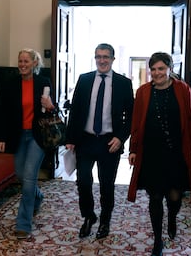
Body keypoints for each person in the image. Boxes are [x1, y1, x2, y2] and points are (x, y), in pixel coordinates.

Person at [127, 52, 191, 256]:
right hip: (151, 154)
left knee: (175, 196)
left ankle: (172, 217)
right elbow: (136, 122)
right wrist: (133, 149)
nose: (157, 73)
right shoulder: (142, 92)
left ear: (169, 69)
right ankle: (158, 240)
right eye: (153, 69)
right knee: (155, 197)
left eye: (161, 69)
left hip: (177, 154)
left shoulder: (182, 89)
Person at [66, 43, 134, 239]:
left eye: (106, 57)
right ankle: (89, 216)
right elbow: (76, 110)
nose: (102, 60)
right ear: (95, 58)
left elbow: (130, 116)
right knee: (83, 181)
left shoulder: (123, 83)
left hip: (109, 142)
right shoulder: (85, 80)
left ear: (113, 59)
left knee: (106, 185)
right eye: (98, 57)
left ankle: (105, 221)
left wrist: (121, 138)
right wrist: (70, 138)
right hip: (85, 140)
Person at [0, 48, 55, 240]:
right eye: (20, 61)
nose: (22, 65)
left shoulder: (44, 83)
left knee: (29, 178)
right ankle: (38, 196)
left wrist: (50, 106)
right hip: (18, 136)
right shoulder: (10, 84)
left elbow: (51, 111)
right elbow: (2, 113)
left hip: (37, 136)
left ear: (34, 63)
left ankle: (23, 224)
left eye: (26, 61)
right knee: (21, 175)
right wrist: (1, 137)